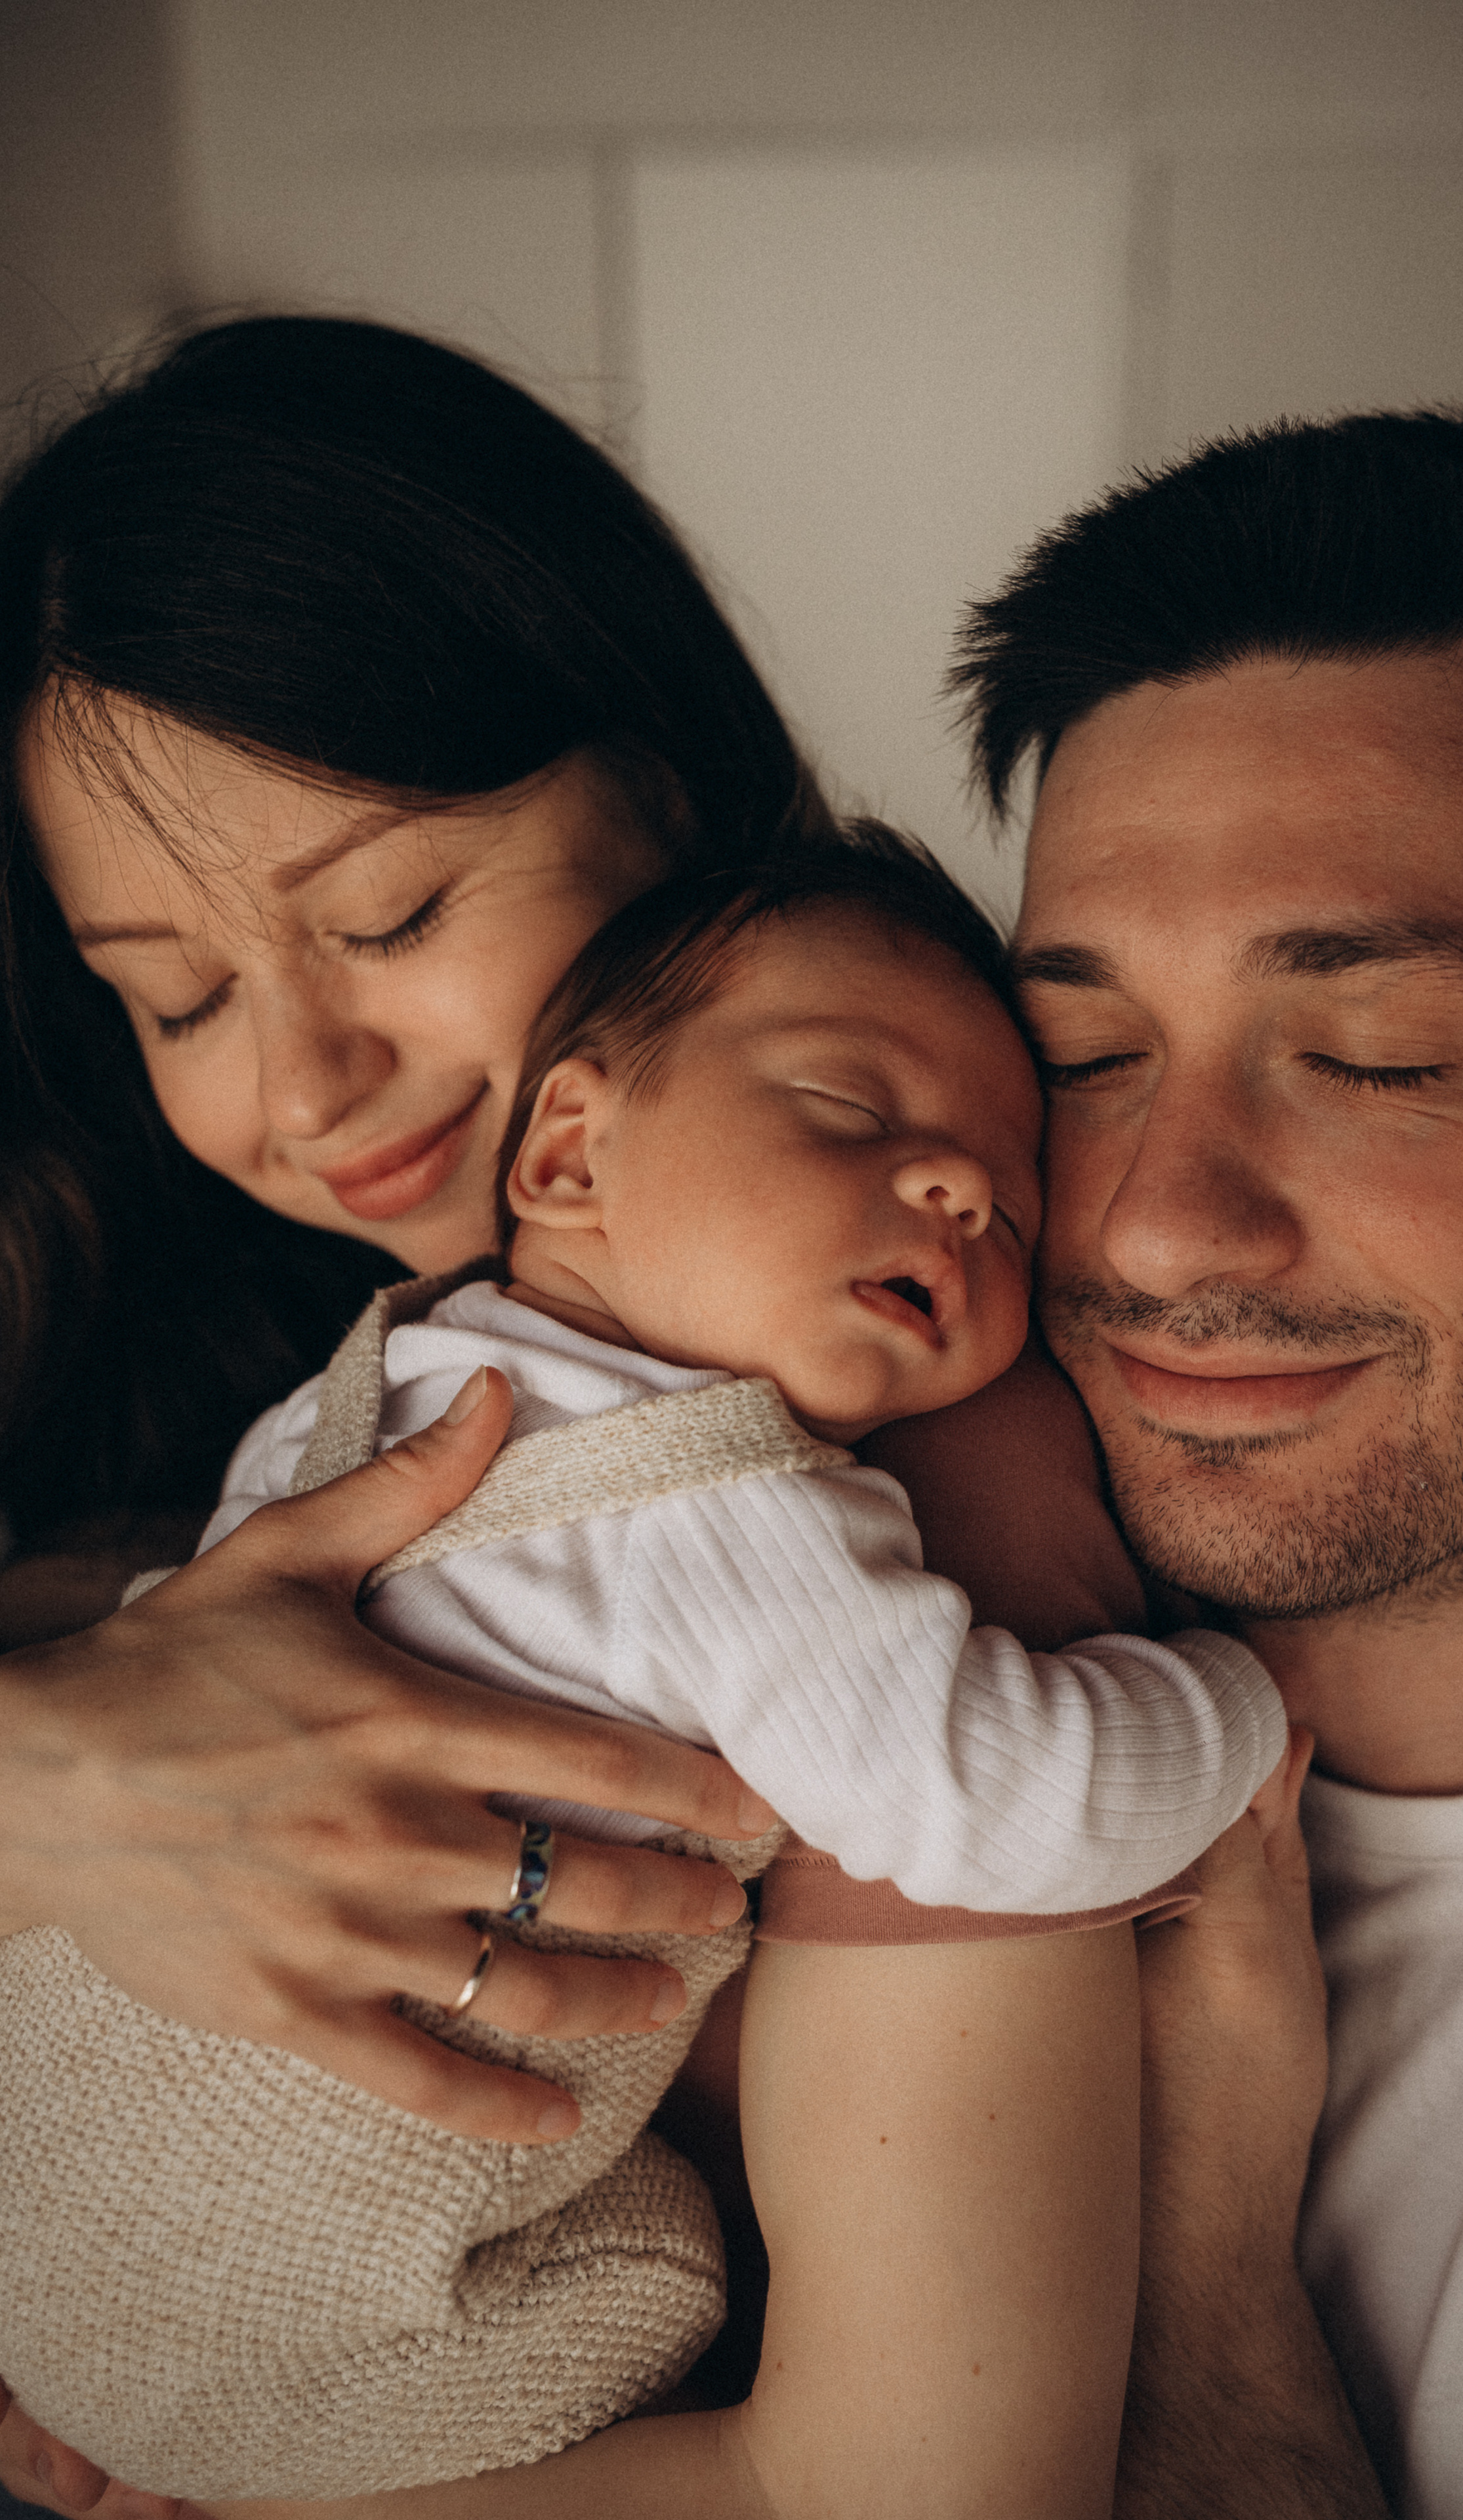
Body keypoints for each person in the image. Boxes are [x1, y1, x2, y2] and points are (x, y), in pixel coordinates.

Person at [0, 316, 1166, 2520]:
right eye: (175, 993)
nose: (305, 1085)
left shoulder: (905, 1411)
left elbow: (919, 2476)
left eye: (395, 912)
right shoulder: (265, 1346)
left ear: (667, 793)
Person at [934, 408, 1463, 2518]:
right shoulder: (873, 1660)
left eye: (1371, 1062)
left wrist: (1202, 2313)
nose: (1159, 1224)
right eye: (1084, 1058)